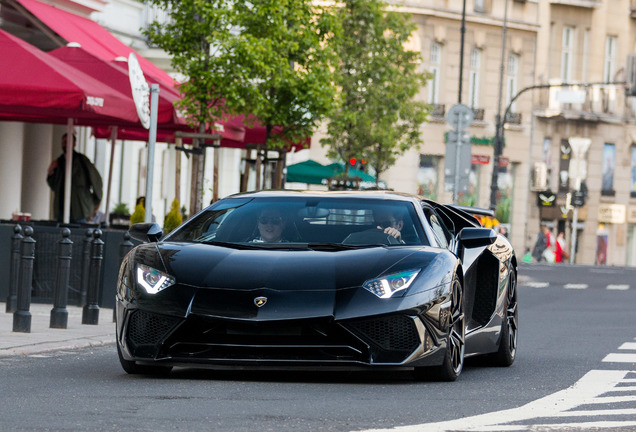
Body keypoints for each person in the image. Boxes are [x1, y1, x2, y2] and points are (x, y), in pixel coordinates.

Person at [47, 133, 103, 224]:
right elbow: (54, 186)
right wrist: (50, 172)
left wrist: (96, 202)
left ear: (74, 144)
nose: (66, 144)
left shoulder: (82, 161)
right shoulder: (59, 161)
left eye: (68, 142)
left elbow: (97, 181)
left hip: (79, 210)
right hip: (61, 210)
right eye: (64, 142)